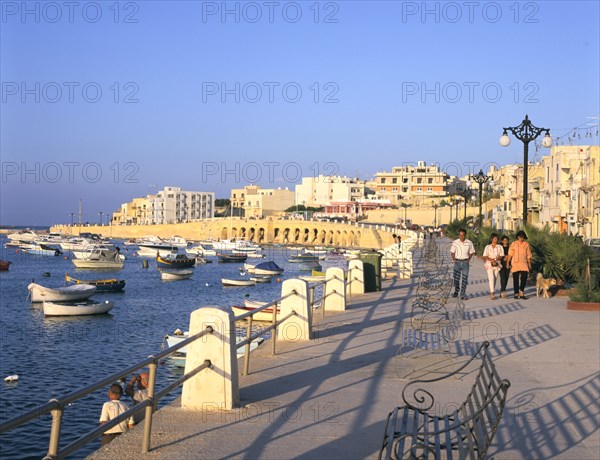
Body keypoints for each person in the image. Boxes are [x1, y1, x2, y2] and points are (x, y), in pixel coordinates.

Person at [450, 229, 476, 300]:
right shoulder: (455, 242)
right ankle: (456, 290)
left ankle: (462, 294)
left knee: (464, 279)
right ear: (459, 235)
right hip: (457, 262)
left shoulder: (469, 243)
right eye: (460, 235)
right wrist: (454, 260)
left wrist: (468, 260)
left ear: (465, 235)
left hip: (465, 263)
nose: (462, 237)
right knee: (456, 278)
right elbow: (452, 252)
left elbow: (471, 252)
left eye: (463, 235)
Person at [507, 230, 532, 299]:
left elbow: (528, 254)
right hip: (515, 263)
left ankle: (521, 292)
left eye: (522, 237)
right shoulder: (513, 244)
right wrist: (507, 262)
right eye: (520, 237)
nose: (521, 238)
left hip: (524, 263)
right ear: (517, 237)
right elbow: (510, 254)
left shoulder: (526, 244)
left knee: (524, 278)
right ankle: (516, 293)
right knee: (516, 279)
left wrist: (529, 263)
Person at [483, 233, 504, 300]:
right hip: (489, 264)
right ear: (491, 239)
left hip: (497, 264)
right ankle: (492, 293)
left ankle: (492, 290)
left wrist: (496, 260)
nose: (496, 240)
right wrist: (492, 260)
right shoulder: (487, 247)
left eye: (497, 238)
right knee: (491, 278)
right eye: (494, 238)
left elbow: (501, 255)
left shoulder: (500, 247)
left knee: (495, 278)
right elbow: (485, 256)